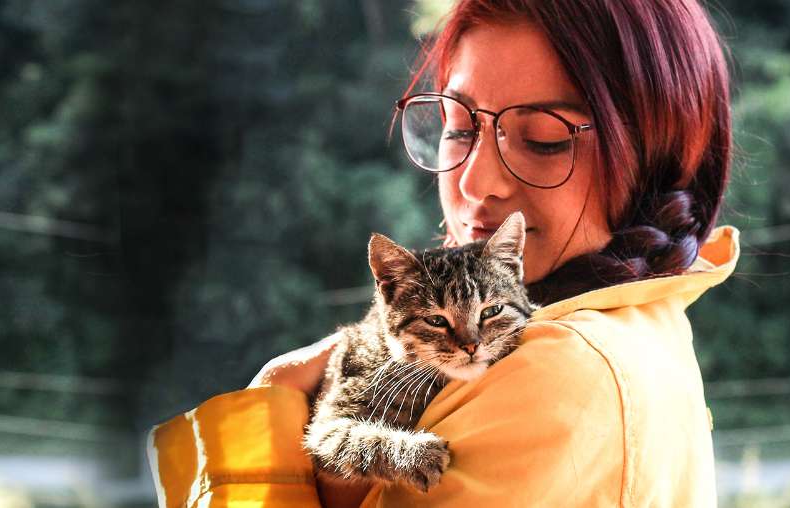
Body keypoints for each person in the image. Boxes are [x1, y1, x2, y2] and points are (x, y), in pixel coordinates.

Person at [149, 0, 737, 505]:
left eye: (544, 139)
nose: (477, 182)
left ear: (658, 158)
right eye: (459, 128)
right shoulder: (649, 321)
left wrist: (263, 415)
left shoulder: (558, 368)